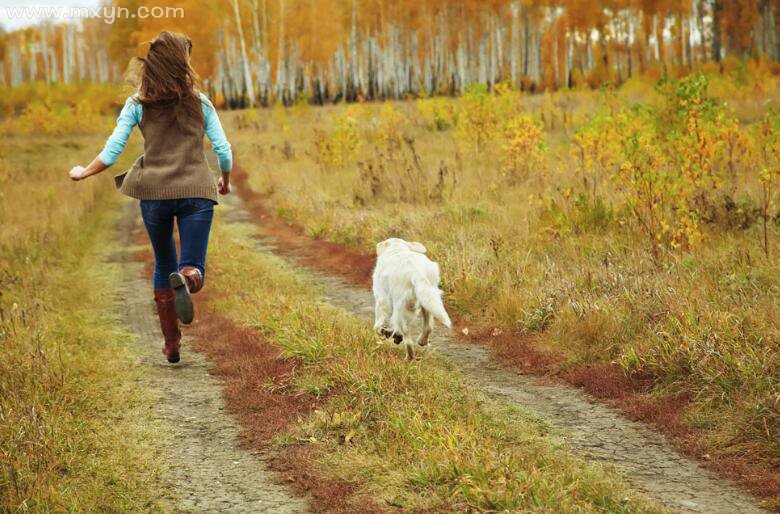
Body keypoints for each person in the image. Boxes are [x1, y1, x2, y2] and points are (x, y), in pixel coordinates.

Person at [68, 31, 232, 364]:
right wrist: (224, 179)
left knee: (163, 264)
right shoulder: (200, 103)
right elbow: (223, 150)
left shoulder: (137, 104)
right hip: (196, 192)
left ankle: (171, 344)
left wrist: (85, 171)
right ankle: (187, 279)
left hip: (154, 194)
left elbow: (113, 150)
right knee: (192, 266)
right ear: (182, 62)